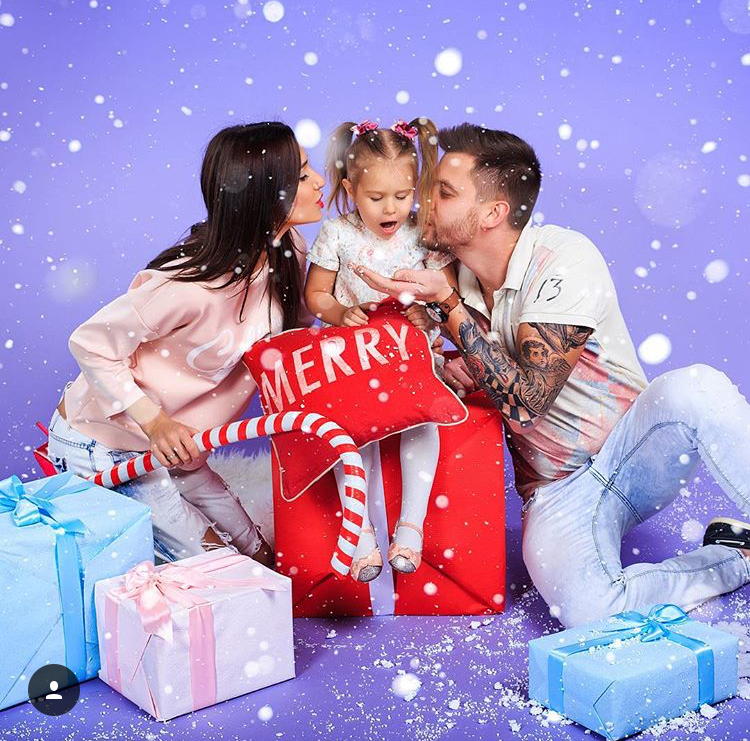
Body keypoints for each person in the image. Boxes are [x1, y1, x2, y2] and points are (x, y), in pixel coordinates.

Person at [354, 122, 750, 627]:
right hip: (556, 491)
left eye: (445, 193)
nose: (424, 202)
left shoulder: (562, 257)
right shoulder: (447, 272)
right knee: (585, 608)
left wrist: (449, 307)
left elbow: (526, 403)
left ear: (493, 213)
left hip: (635, 451)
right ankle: (736, 557)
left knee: (696, 387)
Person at [47, 122, 325, 565]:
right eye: (304, 174)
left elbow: (298, 334)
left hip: (182, 446)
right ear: (264, 193)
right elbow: (90, 343)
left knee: (260, 555)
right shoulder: (189, 286)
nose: (320, 181)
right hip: (106, 441)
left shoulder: (288, 247)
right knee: (217, 566)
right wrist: (155, 423)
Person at [304, 117, 458, 581]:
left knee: (422, 417)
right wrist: (338, 312)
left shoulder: (421, 234)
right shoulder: (338, 233)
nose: (391, 208)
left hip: (408, 355)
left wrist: (429, 316)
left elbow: (445, 293)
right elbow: (317, 294)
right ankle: (361, 533)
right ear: (351, 190)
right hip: (353, 356)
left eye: (402, 196)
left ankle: (410, 525)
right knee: (350, 429)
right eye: (376, 198)